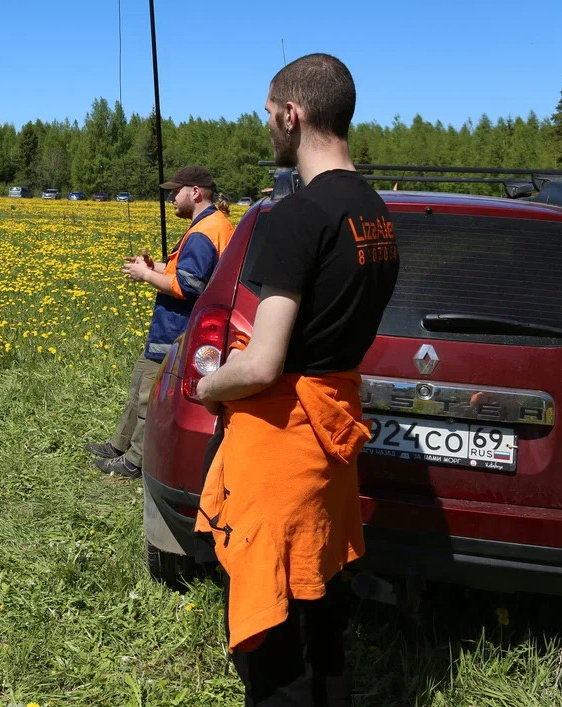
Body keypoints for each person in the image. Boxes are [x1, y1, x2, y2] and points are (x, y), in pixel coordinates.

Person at [193, 54, 399, 704]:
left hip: (280, 454)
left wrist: (207, 382)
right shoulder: (374, 213)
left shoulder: (296, 216)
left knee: (276, 652)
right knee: (321, 620)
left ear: (292, 113)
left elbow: (262, 363)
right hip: (329, 449)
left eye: (267, 115)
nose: (267, 129)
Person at [85, 166, 235, 477]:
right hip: (168, 330)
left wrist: (147, 275)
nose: (172, 199)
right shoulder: (210, 225)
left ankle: (134, 462)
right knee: (139, 382)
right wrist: (160, 266)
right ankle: (118, 444)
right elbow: (194, 274)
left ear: (194, 192)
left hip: (178, 332)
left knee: (146, 399)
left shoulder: (204, 232)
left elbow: (189, 286)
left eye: (175, 192)